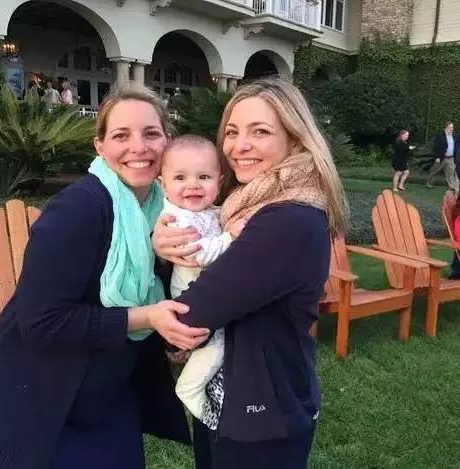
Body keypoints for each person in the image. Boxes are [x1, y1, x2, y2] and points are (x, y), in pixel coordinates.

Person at [0, 83, 210, 469]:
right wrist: (148, 317)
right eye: (121, 135)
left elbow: (157, 286)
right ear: (100, 146)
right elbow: (42, 322)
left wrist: (167, 335)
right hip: (37, 396)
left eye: (151, 133)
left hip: (106, 389)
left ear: (167, 141)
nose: (138, 147)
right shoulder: (78, 211)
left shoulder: (166, 209)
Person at [153, 77, 347, 469]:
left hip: (260, 414)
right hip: (235, 403)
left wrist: (149, 319)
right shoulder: (246, 204)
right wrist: (164, 247)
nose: (239, 146)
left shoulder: (287, 220)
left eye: (260, 132)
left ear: (295, 141)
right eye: (232, 132)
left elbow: (195, 311)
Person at [158, 134, 238, 420]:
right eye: (180, 177)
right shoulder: (175, 218)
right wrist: (231, 237)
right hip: (191, 298)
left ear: (219, 181)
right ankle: (190, 388)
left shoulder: (206, 211)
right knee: (216, 345)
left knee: (214, 342)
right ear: (163, 184)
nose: (192, 185)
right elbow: (198, 254)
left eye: (203, 177)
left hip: (204, 292)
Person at [427, 121, 459, 191]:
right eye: (450, 127)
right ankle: (429, 182)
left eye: (452, 127)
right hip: (441, 157)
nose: (451, 129)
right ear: (446, 127)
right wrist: (437, 157)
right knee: (434, 171)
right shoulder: (440, 136)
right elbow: (436, 147)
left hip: (450, 158)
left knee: (450, 173)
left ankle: (451, 186)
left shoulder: (454, 136)